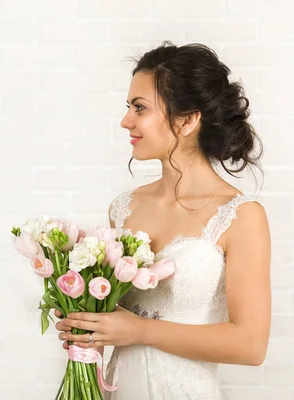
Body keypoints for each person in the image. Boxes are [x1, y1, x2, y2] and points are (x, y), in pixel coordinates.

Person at [53, 41, 272, 399]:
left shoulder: (241, 217)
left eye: (140, 108)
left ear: (187, 120)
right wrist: (87, 324)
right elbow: (117, 319)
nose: (126, 121)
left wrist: (138, 330)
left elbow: (250, 345)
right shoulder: (124, 207)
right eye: (128, 107)